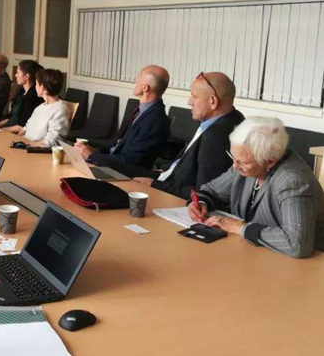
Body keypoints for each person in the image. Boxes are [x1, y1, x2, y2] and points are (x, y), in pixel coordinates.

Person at [189, 117, 324, 258]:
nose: (234, 166)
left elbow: (296, 244)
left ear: (270, 162)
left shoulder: (292, 181)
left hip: (296, 263)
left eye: (243, 162)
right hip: (251, 252)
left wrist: (239, 227)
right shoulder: (247, 162)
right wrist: (201, 203)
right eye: (233, 157)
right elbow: (211, 190)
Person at [133, 72, 245, 199]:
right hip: (167, 175)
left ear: (213, 101)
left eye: (194, 96)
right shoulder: (227, 118)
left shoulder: (216, 137)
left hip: (170, 190)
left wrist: (154, 184)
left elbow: (203, 193)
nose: (189, 102)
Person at [75, 65, 170, 171]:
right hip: (111, 164)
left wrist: (91, 156)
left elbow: (131, 162)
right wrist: (95, 151)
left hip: (120, 174)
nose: (135, 81)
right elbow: (118, 147)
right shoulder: (142, 111)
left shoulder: (155, 121)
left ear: (145, 88)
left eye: (138, 77)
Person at [17, 69, 70, 147]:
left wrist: (27, 145)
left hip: (35, 149)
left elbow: (52, 141)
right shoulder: (40, 107)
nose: (35, 87)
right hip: (25, 145)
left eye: (37, 84)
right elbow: (26, 128)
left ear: (43, 87)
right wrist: (16, 140)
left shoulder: (61, 110)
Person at [0, 60, 43, 130]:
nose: (15, 75)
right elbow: (10, 118)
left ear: (26, 76)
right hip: (7, 129)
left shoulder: (33, 98)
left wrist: (1, 130)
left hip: (15, 133)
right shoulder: (21, 92)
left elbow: (23, 126)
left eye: (18, 73)